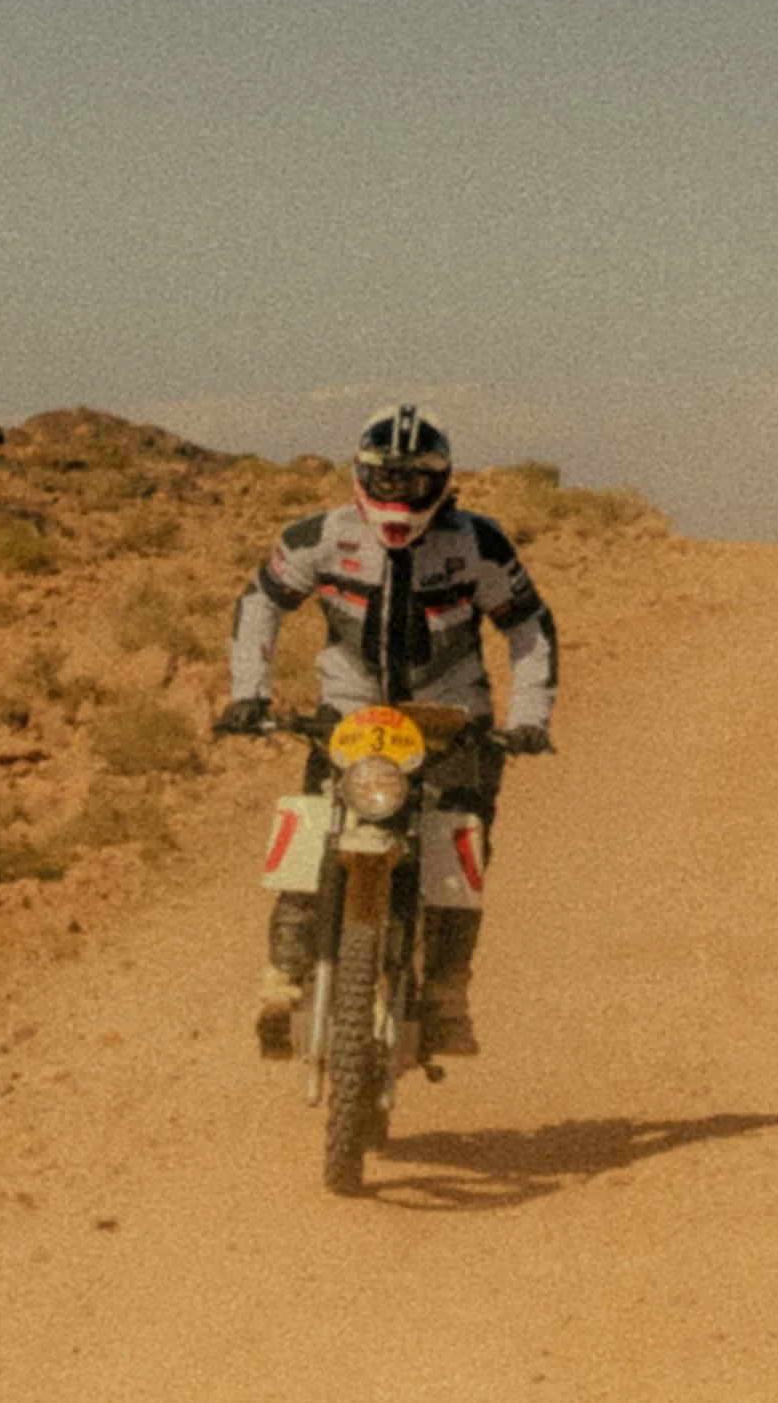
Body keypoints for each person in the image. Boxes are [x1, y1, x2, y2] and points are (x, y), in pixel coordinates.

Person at [216, 405, 557, 1060]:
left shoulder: (478, 545)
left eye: (415, 481)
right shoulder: (319, 536)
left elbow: (529, 626)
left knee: (462, 844)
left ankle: (449, 990)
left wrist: (529, 719)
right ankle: (282, 976)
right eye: (386, 479)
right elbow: (260, 600)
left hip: (451, 720)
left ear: (443, 483)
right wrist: (248, 695)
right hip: (348, 714)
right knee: (312, 823)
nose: (399, 495)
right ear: (362, 475)